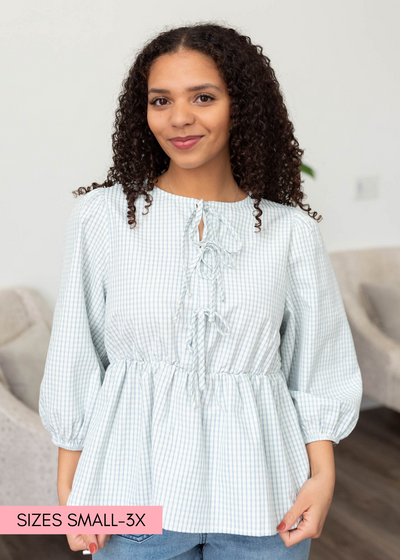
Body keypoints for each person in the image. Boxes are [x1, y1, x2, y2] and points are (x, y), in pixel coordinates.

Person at [39, 22, 363, 560]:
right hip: (133, 491)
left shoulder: (290, 232)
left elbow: (318, 362)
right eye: (160, 100)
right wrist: (71, 492)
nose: (179, 118)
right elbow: (76, 352)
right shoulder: (103, 218)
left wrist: (322, 477)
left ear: (241, 106)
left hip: (265, 499)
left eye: (204, 97)